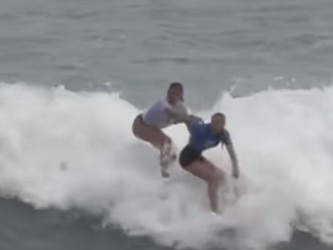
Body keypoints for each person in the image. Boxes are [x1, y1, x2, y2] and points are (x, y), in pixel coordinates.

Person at [179, 112, 239, 214]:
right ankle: (214, 212)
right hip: (186, 158)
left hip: (197, 156)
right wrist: (180, 117)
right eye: (214, 122)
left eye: (220, 123)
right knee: (212, 180)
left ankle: (227, 200)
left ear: (224, 124)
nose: (216, 125)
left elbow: (232, 153)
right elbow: (190, 120)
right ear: (211, 122)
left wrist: (235, 167)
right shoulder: (201, 130)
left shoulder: (224, 135)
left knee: (222, 176)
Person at [132, 82, 189, 178]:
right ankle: (164, 171)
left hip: (152, 128)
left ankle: (170, 171)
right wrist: (182, 118)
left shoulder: (181, 108)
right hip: (140, 125)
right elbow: (170, 112)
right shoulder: (163, 104)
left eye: (175, 94)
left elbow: (185, 117)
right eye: (170, 93)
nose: (172, 96)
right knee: (166, 143)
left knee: (172, 153)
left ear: (181, 95)